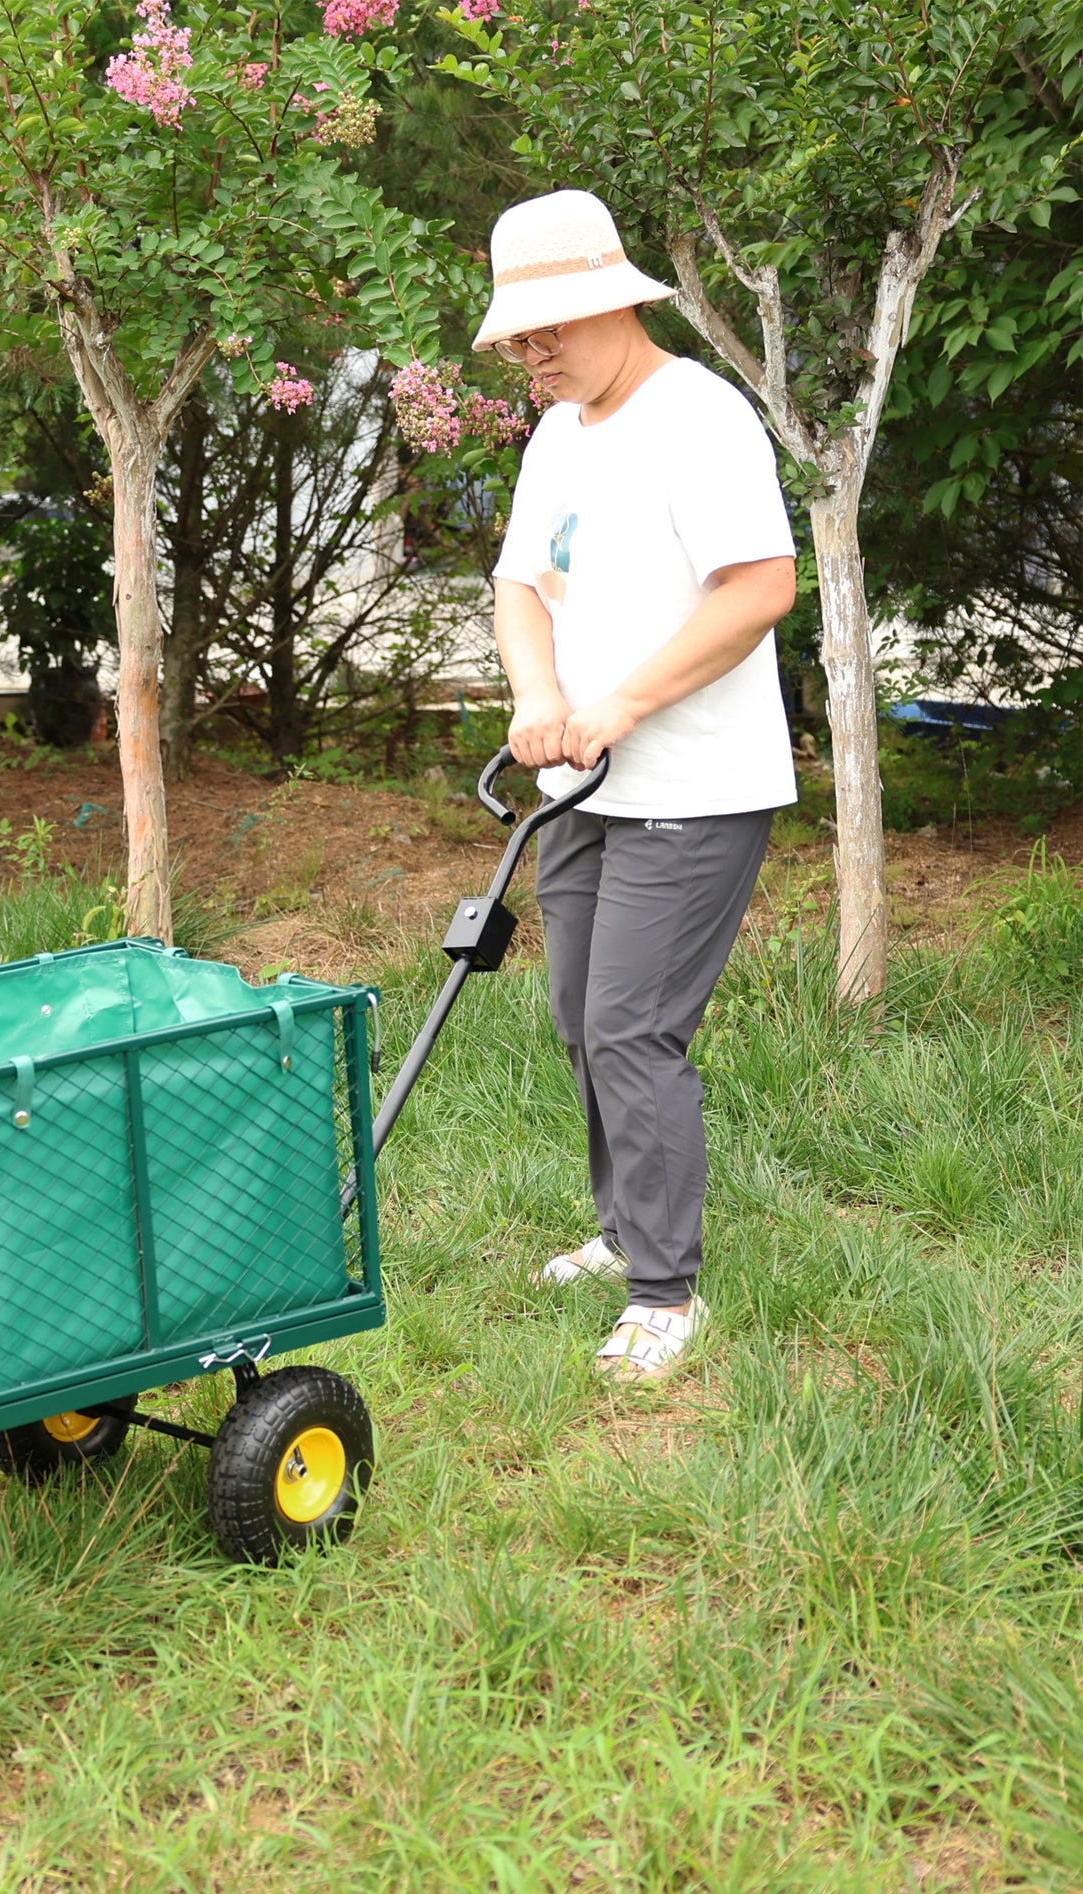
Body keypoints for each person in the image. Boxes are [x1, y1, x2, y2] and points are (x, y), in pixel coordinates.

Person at [476, 187, 798, 1382]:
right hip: (580, 786)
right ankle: (620, 1231)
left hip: (696, 784)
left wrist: (619, 703)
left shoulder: (696, 420)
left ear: (614, 302)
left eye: (548, 327)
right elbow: (519, 586)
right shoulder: (558, 433)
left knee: (630, 1027)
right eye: (517, 335)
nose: (531, 351)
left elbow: (759, 585)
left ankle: (664, 1294)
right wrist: (534, 697)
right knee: (578, 1021)